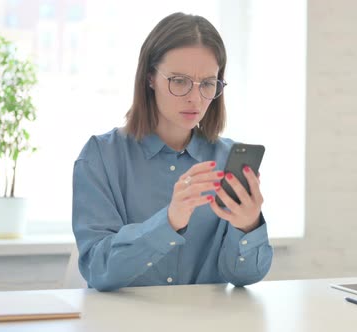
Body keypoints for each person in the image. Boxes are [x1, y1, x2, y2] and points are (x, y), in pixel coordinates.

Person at [72, 12, 273, 291]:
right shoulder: (100, 157)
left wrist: (247, 227)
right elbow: (98, 269)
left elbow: (243, 277)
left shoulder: (228, 160)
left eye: (207, 83)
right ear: (150, 77)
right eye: (179, 81)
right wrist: (168, 222)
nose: (195, 97)